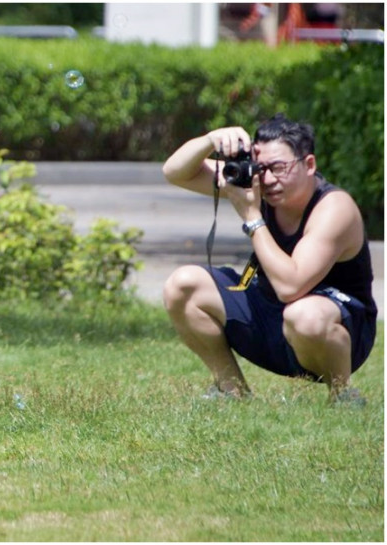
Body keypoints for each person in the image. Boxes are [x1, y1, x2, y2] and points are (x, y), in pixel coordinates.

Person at [161, 114, 376, 404]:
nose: (269, 179)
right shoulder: (257, 182)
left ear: (309, 165)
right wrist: (210, 140)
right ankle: (232, 391)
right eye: (261, 168)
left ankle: (342, 395)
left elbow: (291, 287)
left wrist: (252, 217)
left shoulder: (334, 208)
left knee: (303, 315)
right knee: (182, 285)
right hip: (271, 312)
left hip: (332, 331)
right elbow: (175, 172)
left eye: (278, 168)